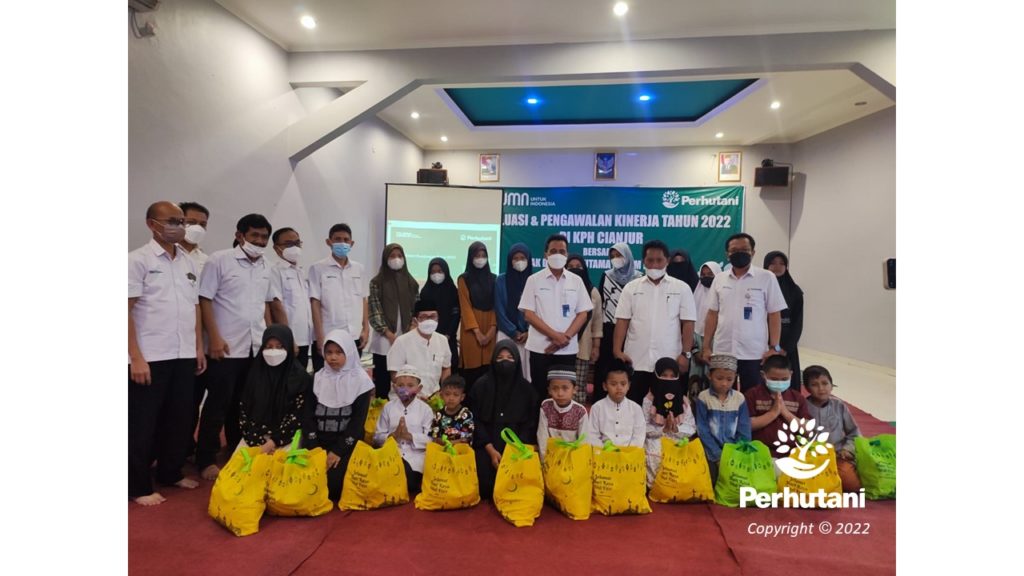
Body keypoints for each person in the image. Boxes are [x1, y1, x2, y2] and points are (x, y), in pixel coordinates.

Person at [129, 201, 205, 505]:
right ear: (152, 224)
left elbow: (194, 306)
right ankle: (137, 486)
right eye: (171, 221)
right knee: (143, 423)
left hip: (183, 353)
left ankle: (170, 471)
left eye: (181, 221)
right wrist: (135, 357)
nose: (179, 226)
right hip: (150, 356)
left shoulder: (188, 262)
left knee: (180, 418)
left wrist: (197, 346)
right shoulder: (137, 260)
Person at [195, 213, 274, 480]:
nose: (259, 241)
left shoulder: (266, 266)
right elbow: (204, 300)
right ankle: (205, 458)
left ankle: (235, 449)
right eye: (254, 235)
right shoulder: (219, 260)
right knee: (217, 404)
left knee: (245, 404)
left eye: (264, 237)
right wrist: (214, 337)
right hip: (225, 347)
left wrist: (269, 339)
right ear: (240, 236)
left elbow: (265, 305)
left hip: (255, 346)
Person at [700, 233, 787, 392]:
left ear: (753, 252)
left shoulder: (766, 277)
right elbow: (712, 314)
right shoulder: (719, 279)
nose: (739, 253)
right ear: (727, 254)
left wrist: (774, 347)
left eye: (744, 250)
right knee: (722, 395)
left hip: (754, 352)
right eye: (734, 250)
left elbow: (774, 314)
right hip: (723, 350)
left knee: (752, 395)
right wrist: (706, 346)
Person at [614, 239, 697, 405]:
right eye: (650, 260)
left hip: (669, 362)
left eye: (659, 260)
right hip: (636, 359)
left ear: (667, 261)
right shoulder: (631, 288)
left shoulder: (682, 288)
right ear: (643, 261)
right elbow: (622, 321)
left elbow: (688, 323)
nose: (654, 265)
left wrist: (685, 354)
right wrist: (617, 350)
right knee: (634, 406)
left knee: (666, 409)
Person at [519, 234, 593, 406]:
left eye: (562, 251)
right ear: (545, 254)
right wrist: (555, 336)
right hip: (540, 349)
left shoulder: (576, 281)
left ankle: (563, 424)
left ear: (567, 255)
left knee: (564, 394)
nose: (557, 255)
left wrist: (564, 338)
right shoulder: (534, 280)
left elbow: (583, 314)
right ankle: (539, 423)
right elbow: (528, 314)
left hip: (567, 349)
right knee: (539, 392)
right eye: (553, 251)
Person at [307, 329, 374, 502]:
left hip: (345, 444)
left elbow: (357, 423)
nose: (333, 357)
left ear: (349, 353)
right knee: (307, 480)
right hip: (317, 443)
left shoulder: (360, 381)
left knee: (333, 484)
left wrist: (337, 451)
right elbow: (308, 415)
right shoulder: (317, 379)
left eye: (338, 352)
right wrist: (315, 448)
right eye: (329, 352)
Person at [468, 340, 538, 499]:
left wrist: (515, 450)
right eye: (499, 358)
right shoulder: (481, 386)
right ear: (493, 360)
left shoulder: (527, 390)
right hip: (487, 444)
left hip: (516, 447)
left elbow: (530, 424)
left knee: (516, 486)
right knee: (485, 487)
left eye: (510, 358)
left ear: (517, 361)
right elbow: (475, 420)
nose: (504, 362)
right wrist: (491, 450)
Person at [237, 324, 310, 453]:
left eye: (279, 347)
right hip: (255, 435)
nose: (273, 351)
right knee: (240, 464)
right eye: (269, 346)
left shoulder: (299, 377)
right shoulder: (255, 374)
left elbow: (298, 416)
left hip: (287, 436)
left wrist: (272, 443)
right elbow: (244, 412)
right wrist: (256, 441)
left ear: (288, 347)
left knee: (280, 464)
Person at [308, 223, 370, 373]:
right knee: (325, 378)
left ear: (352, 243)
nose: (342, 243)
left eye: (346, 240)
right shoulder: (318, 268)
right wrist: (319, 336)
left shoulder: (359, 268)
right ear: (329, 242)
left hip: (354, 335)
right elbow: (315, 303)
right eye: (337, 239)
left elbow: (363, 299)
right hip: (328, 336)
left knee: (352, 377)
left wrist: (366, 329)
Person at [368, 243, 419, 399]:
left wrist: (411, 328)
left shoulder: (411, 283)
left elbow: (416, 309)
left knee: (405, 379)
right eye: (392, 256)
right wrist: (389, 334)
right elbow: (375, 310)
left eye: (399, 256)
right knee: (383, 381)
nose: (396, 259)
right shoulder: (376, 282)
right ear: (385, 258)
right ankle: (383, 409)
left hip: (406, 336)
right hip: (384, 339)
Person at [373, 365, 433, 495]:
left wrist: (409, 436)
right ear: (394, 387)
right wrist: (393, 436)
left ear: (419, 388)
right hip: (392, 455)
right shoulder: (388, 407)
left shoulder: (425, 410)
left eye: (410, 385)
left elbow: (431, 439)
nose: (405, 389)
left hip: (416, 458)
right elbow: (377, 437)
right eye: (400, 385)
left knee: (408, 481)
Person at [594, 242, 642, 401]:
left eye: (619, 255)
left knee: (628, 368)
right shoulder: (606, 276)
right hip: (608, 329)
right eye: (612, 256)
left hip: (631, 331)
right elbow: (601, 304)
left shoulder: (639, 278)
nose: (615, 259)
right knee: (605, 367)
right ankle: (601, 402)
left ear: (627, 256)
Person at [694, 354, 752, 484]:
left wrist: (736, 453)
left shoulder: (739, 398)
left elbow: (744, 429)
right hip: (710, 450)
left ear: (735, 378)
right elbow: (702, 430)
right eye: (719, 378)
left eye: (729, 379)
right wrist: (717, 455)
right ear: (710, 376)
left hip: (735, 450)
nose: (724, 383)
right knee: (710, 477)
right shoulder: (704, 398)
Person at [803, 365, 862, 492]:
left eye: (825, 383)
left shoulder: (839, 405)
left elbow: (854, 432)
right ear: (807, 388)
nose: (821, 389)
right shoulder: (803, 406)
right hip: (811, 458)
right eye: (814, 385)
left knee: (851, 484)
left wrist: (847, 450)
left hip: (838, 456)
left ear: (831, 385)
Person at [643, 358, 696, 486]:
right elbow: (643, 427)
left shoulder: (684, 401)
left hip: (678, 438)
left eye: (672, 376)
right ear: (657, 376)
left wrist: (676, 429)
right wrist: (662, 430)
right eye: (664, 375)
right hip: (655, 439)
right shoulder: (649, 400)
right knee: (656, 452)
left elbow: (691, 427)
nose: (668, 379)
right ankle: (656, 487)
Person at [386, 298, 452, 401]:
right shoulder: (402, 342)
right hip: (405, 399)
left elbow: (446, 368)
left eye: (433, 316)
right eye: (424, 317)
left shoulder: (442, 340)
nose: (429, 320)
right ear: (415, 320)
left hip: (434, 399)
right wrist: (413, 395)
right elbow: (395, 376)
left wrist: (443, 391)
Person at [269, 227, 313, 370]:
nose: (294, 247)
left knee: (300, 379)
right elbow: (277, 306)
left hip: (305, 338)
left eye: (297, 243)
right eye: (288, 244)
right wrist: (288, 339)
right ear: (276, 248)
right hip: (289, 340)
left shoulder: (300, 271)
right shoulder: (274, 271)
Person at [746, 354, 811, 449]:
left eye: (784, 379)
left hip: (791, 451)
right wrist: (773, 413)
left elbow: (807, 430)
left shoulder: (798, 398)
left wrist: (785, 412)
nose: (779, 383)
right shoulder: (752, 394)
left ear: (791, 375)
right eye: (774, 379)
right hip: (759, 450)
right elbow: (746, 425)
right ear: (763, 375)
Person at [458, 241, 498, 390]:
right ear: (470, 257)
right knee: (472, 370)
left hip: (490, 327)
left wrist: (492, 330)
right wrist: (477, 333)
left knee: (489, 369)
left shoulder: (494, 278)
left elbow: (496, 305)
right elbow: (465, 306)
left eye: (483, 255)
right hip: (471, 330)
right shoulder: (464, 279)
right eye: (477, 256)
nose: (480, 259)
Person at [764, 250, 804, 390]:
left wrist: (785, 348)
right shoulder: (759, 288)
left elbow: (797, 322)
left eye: (782, 263)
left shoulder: (795, 291)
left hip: (786, 343)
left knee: (787, 383)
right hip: (763, 341)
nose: (777, 267)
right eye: (773, 263)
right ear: (766, 265)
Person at [566, 255, 602, 404]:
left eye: (578, 266)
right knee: (563, 384)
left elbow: (597, 323)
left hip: (583, 348)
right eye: (571, 267)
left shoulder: (593, 292)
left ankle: (578, 414)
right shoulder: (561, 289)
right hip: (562, 347)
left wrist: (596, 347)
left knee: (579, 386)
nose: (575, 269)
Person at [494, 243, 533, 382]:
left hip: (529, 337)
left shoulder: (534, 280)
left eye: (522, 258)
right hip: (506, 333)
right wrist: (513, 331)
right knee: (504, 372)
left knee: (525, 375)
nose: (519, 261)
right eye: (515, 258)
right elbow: (499, 309)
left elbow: (538, 310)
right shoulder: (501, 280)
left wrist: (529, 331)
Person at [585, 361, 645, 448]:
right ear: (605, 386)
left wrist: (627, 452)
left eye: (623, 384)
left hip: (629, 454)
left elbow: (639, 436)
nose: (619, 388)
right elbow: (592, 435)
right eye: (613, 384)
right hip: (603, 453)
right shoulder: (597, 407)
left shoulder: (636, 409)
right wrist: (604, 450)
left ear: (628, 385)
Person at [536, 366, 590, 461]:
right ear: (549, 390)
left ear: (574, 389)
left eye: (565, 388)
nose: (560, 393)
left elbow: (583, 441)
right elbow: (542, 436)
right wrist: (545, 461)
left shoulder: (580, 411)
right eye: (555, 388)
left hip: (571, 458)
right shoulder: (546, 406)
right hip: (550, 457)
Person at [689, 260, 723, 400]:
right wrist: (696, 351)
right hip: (696, 344)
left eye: (710, 274)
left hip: (718, 343)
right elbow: (690, 324)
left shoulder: (723, 295)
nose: (706, 277)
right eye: (703, 274)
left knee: (716, 382)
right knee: (695, 385)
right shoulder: (695, 295)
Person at [419, 257, 460, 372]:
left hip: (449, 337)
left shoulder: (453, 291)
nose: (436, 274)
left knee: (450, 367)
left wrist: (448, 335)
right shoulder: (425, 292)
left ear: (445, 272)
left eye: (439, 271)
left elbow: (456, 315)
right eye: (433, 272)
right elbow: (423, 316)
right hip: (429, 338)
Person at [429, 375, 475, 444]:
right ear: (442, 395)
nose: (451, 398)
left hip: (460, 449)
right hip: (442, 448)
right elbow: (435, 437)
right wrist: (444, 444)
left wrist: (450, 443)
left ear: (462, 397)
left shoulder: (466, 414)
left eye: (456, 395)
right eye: (447, 394)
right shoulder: (439, 414)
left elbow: (466, 439)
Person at [178, 201, 210, 276]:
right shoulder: (166, 253)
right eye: (191, 222)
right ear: (178, 223)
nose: (198, 228)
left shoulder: (206, 260)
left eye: (202, 224)